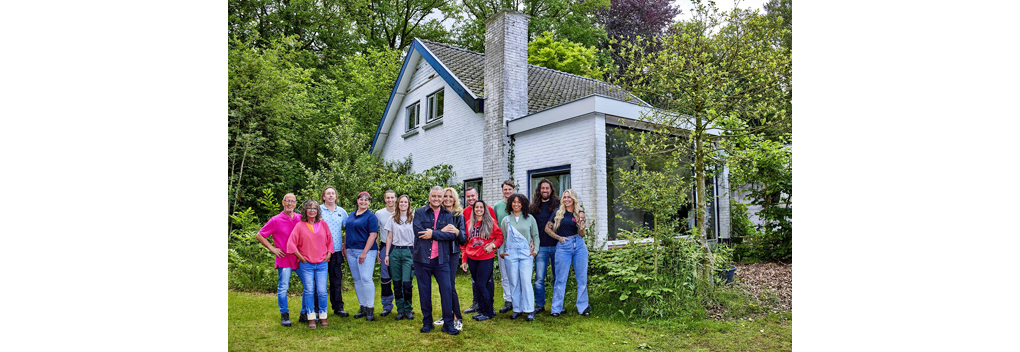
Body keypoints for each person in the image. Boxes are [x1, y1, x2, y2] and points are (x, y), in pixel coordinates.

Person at [412, 186, 465, 335]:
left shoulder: (448, 215)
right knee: (424, 291)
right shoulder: (420, 212)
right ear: (429, 197)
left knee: (447, 290)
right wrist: (440, 232)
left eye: (439, 196)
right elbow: (419, 232)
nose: (436, 199)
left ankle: (448, 324)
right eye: (433, 196)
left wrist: (433, 233)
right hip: (422, 259)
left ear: (442, 199)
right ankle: (427, 322)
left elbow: (450, 236)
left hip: (442, 260)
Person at [255, 193, 308, 327]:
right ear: (283, 202)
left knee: (309, 285)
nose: (290, 203)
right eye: (287, 201)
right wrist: (272, 248)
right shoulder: (275, 220)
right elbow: (260, 235)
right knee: (283, 288)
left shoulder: (300, 218)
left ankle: (304, 313)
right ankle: (285, 315)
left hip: (299, 258)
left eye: (293, 201)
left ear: (295, 204)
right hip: (284, 259)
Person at [287, 200, 334, 329]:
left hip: (322, 264)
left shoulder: (323, 224)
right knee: (309, 291)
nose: (312, 210)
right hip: (306, 264)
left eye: (314, 208)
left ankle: (323, 315)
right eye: (309, 208)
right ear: (305, 210)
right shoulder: (300, 226)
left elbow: (329, 241)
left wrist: (329, 253)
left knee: (322, 291)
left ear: (318, 210)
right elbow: (291, 244)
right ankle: (311, 317)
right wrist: (300, 257)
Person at [546, 189, 591, 317]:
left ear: (573, 199)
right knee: (561, 279)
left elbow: (582, 234)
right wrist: (558, 238)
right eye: (564, 197)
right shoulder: (558, 212)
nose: (566, 199)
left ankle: (583, 307)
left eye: (569, 197)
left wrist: (581, 229)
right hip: (563, 246)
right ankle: (556, 308)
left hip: (579, 245)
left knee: (582, 278)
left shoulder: (579, 213)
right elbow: (547, 228)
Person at [499, 193, 540, 321]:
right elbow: (503, 237)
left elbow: (536, 235)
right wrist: (502, 251)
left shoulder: (530, 218)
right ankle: (517, 309)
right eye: (514, 202)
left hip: (525, 253)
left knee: (526, 280)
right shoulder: (506, 220)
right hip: (511, 253)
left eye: (519, 202)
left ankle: (529, 310)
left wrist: (535, 251)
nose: (516, 204)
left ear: (523, 204)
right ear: (510, 203)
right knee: (514, 281)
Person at [460, 200, 504, 321]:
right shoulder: (469, 223)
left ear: (484, 209)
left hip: (485, 258)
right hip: (472, 258)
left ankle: (489, 312)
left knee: (481, 284)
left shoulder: (491, 222)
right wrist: (464, 260)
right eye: (476, 207)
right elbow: (464, 243)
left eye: (481, 207)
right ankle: (481, 310)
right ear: (473, 210)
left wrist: (493, 245)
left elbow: (500, 237)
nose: (479, 209)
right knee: (477, 284)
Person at [344, 191, 380, 321]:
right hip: (351, 251)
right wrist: (345, 246)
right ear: (357, 200)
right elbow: (347, 232)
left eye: (366, 200)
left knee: (366, 278)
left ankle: (370, 308)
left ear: (369, 202)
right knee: (357, 279)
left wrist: (364, 252)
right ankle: (362, 306)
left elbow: (373, 235)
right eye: (361, 199)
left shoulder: (370, 217)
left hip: (366, 252)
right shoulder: (351, 215)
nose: (363, 201)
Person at [529, 179, 560, 314]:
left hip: (557, 246)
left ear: (551, 190)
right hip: (540, 247)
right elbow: (530, 225)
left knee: (557, 277)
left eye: (547, 188)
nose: (545, 190)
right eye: (542, 188)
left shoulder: (558, 205)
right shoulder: (534, 207)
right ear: (539, 190)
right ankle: (540, 305)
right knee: (539, 278)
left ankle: (557, 305)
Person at [438, 187, 467, 331]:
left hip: (453, 253)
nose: (448, 199)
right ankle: (446, 314)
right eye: (445, 196)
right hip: (440, 253)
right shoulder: (439, 214)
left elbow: (463, 239)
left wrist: (456, 231)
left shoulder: (459, 215)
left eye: (450, 196)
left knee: (450, 285)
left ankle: (457, 317)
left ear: (454, 199)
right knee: (443, 285)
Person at [319, 187, 350, 318]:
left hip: (336, 251)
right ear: (324, 197)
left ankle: (338, 308)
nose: (331, 196)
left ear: (336, 197)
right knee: (319, 283)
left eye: (333, 193)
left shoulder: (341, 212)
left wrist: (345, 244)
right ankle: (317, 309)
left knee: (336, 281)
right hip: (320, 252)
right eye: (328, 194)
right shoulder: (318, 210)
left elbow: (349, 229)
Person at [384, 194, 416, 321]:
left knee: (407, 283)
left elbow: (416, 237)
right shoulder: (392, 219)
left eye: (405, 202)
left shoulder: (413, 218)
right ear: (398, 204)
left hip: (409, 252)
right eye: (401, 202)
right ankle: (400, 310)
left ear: (408, 204)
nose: (403, 204)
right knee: (397, 283)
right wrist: (387, 254)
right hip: (395, 252)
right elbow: (389, 237)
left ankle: (408, 309)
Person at [491, 180, 517, 314]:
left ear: (513, 190)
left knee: (517, 274)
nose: (507, 191)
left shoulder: (518, 204)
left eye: (510, 189)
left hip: (517, 245)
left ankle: (518, 299)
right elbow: (494, 226)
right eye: (505, 189)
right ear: (502, 191)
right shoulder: (497, 206)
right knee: (505, 274)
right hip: (502, 244)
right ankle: (508, 300)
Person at [374, 190, 397, 317]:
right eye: (387, 198)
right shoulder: (379, 214)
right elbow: (376, 232)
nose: (390, 200)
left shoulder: (401, 211)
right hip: (384, 247)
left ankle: (402, 305)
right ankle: (387, 306)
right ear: (384, 199)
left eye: (392, 197)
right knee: (385, 277)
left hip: (399, 246)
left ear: (395, 199)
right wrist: (377, 250)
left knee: (400, 277)